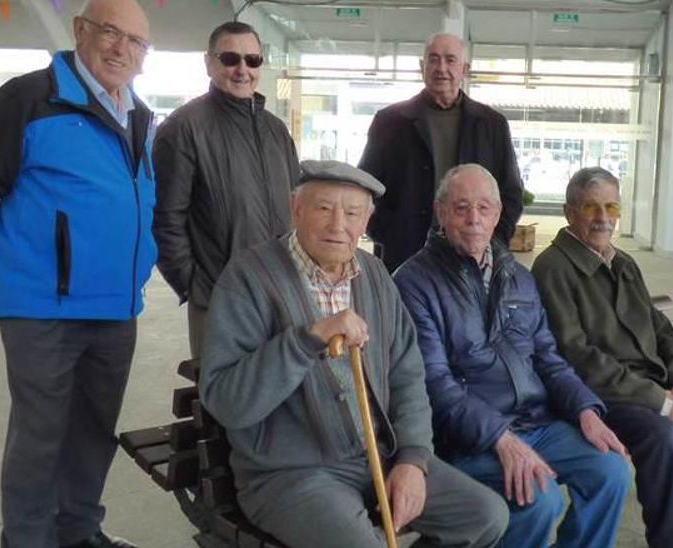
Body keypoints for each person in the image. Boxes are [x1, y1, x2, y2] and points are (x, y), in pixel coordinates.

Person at [198, 160, 509, 548]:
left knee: (484, 516)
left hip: (378, 458)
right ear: (296, 210)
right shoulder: (248, 278)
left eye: (352, 213)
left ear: (367, 222)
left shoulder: (375, 275)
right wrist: (308, 339)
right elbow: (226, 401)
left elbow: (407, 376)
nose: (337, 225)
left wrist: (413, 459)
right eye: (323, 208)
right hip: (289, 474)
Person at [0, 0, 155, 546]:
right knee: (40, 437)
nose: (121, 48)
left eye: (135, 41)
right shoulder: (28, 99)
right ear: (80, 31)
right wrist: (25, 263)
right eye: (110, 32)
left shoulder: (138, 115)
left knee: (91, 432)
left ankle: (79, 532)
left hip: (115, 306)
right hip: (44, 310)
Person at [393, 164, 631, 548]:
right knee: (538, 498)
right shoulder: (414, 282)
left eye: (484, 208)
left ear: (498, 214)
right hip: (468, 437)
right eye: (461, 208)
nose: (474, 220)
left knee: (612, 471)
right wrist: (500, 438)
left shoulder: (517, 275)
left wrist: (586, 409)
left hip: (536, 421)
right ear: (440, 213)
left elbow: (548, 358)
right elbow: (434, 384)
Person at [532, 167, 673, 548]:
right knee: (664, 435)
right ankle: (671, 541)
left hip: (655, 385)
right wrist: (661, 402)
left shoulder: (622, 261)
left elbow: (661, 328)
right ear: (570, 212)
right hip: (603, 397)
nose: (603, 217)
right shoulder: (553, 267)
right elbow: (576, 355)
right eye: (591, 207)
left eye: (611, 206)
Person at [153, 21, 300, 358]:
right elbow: (165, 218)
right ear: (209, 62)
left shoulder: (276, 132)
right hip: (220, 298)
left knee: (283, 399)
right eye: (230, 58)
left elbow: (297, 206)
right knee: (226, 401)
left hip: (282, 293)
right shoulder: (184, 128)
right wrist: (194, 284)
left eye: (252, 60)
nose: (242, 70)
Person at [358, 33, 523, 272]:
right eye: (434, 59)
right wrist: (386, 233)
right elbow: (366, 187)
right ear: (422, 67)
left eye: (450, 60)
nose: (441, 68)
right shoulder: (390, 122)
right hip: (403, 253)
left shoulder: (491, 124)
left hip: (473, 255)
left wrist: (491, 241)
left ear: (465, 69)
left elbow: (511, 193)